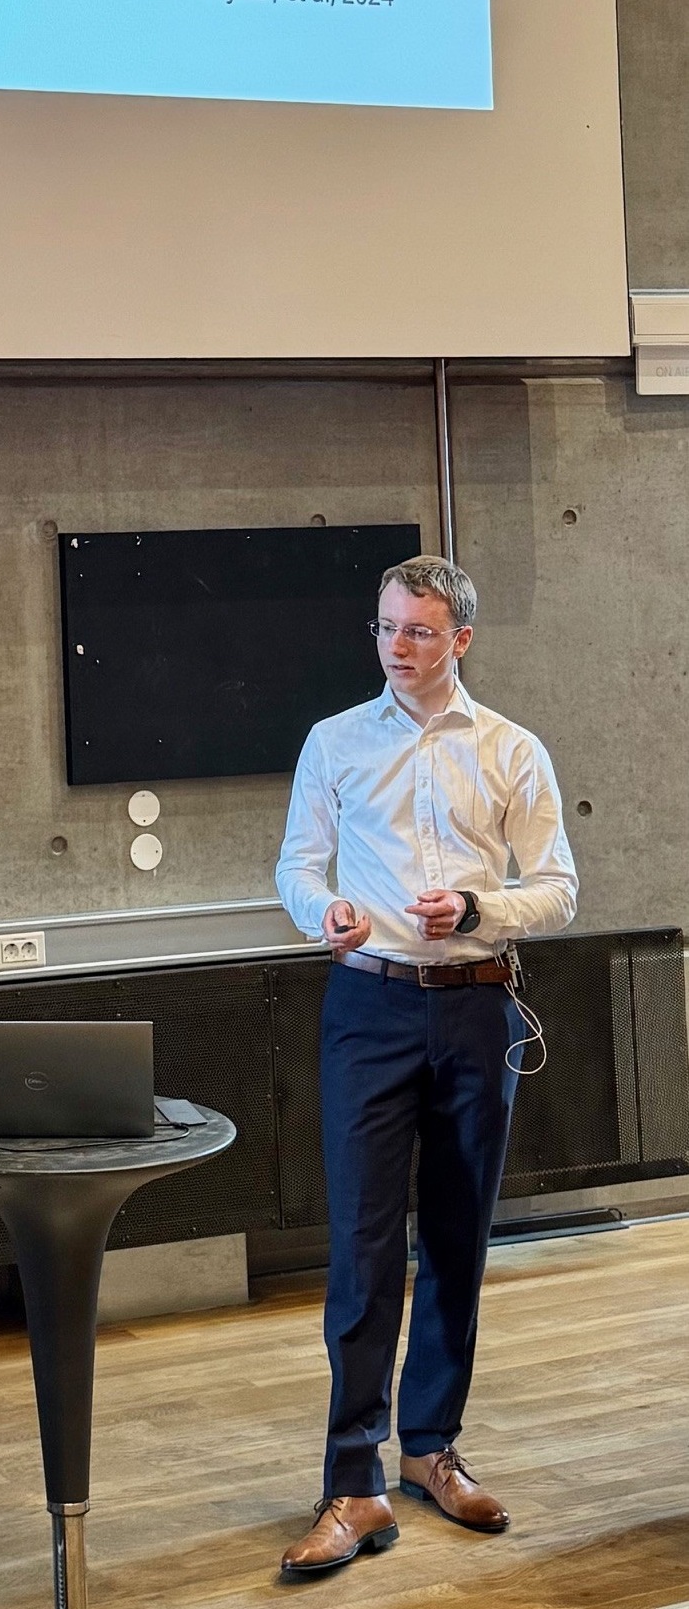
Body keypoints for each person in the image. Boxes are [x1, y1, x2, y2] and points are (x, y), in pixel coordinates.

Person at [273, 555, 577, 1580]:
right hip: (366, 1002)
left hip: (475, 1006)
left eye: (417, 630)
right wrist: (325, 912)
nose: (396, 646)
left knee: (455, 1241)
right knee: (361, 1252)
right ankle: (350, 1485)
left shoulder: (512, 751)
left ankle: (429, 1450)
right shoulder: (334, 743)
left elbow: (560, 888)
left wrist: (484, 910)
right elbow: (296, 864)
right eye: (385, 628)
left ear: (461, 639)